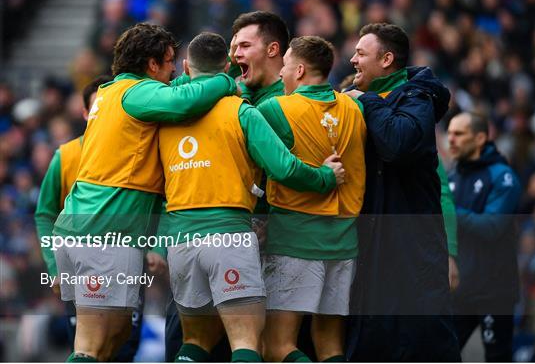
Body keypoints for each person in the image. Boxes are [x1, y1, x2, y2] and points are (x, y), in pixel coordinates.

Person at [52, 23, 238, 362]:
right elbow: (183, 102)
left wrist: (199, 75)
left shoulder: (111, 92)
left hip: (86, 226)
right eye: (168, 61)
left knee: (119, 333)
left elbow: (177, 89)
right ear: (151, 65)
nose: (172, 68)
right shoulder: (136, 93)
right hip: (103, 230)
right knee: (92, 341)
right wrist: (226, 80)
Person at [158, 32, 344, 362]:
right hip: (228, 235)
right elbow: (284, 169)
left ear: (185, 67)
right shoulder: (242, 111)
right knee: (246, 340)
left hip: (180, 239)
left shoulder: (165, 116)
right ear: (228, 67)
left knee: (195, 342)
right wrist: (325, 178)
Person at [344, 23, 461, 361]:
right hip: (373, 242)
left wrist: (368, 101)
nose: (352, 60)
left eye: (361, 53)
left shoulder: (417, 97)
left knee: (422, 337)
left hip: (413, 247)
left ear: (386, 59)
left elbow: (397, 144)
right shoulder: (363, 101)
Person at [35, 75, 167, 361]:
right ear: (87, 113)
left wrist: (157, 247)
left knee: (123, 343)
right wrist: (53, 265)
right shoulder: (67, 155)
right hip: (84, 259)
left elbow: (164, 200)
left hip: (128, 259)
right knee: (87, 343)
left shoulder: (141, 151)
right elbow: (45, 214)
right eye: (98, 108)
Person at [257, 36, 367, 362]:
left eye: (286, 66)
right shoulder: (355, 107)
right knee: (329, 343)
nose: (280, 75)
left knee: (277, 346)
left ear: (300, 69)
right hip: (344, 242)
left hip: (296, 238)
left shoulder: (275, 108)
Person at [447, 111, 521, 361]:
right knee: (443, 352)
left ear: (480, 138)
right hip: (460, 289)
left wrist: (450, 212)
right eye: (449, 134)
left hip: (494, 290)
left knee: (497, 357)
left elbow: (492, 226)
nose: (451, 140)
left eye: (459, 134)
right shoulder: (453, 176)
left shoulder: (503, 176)